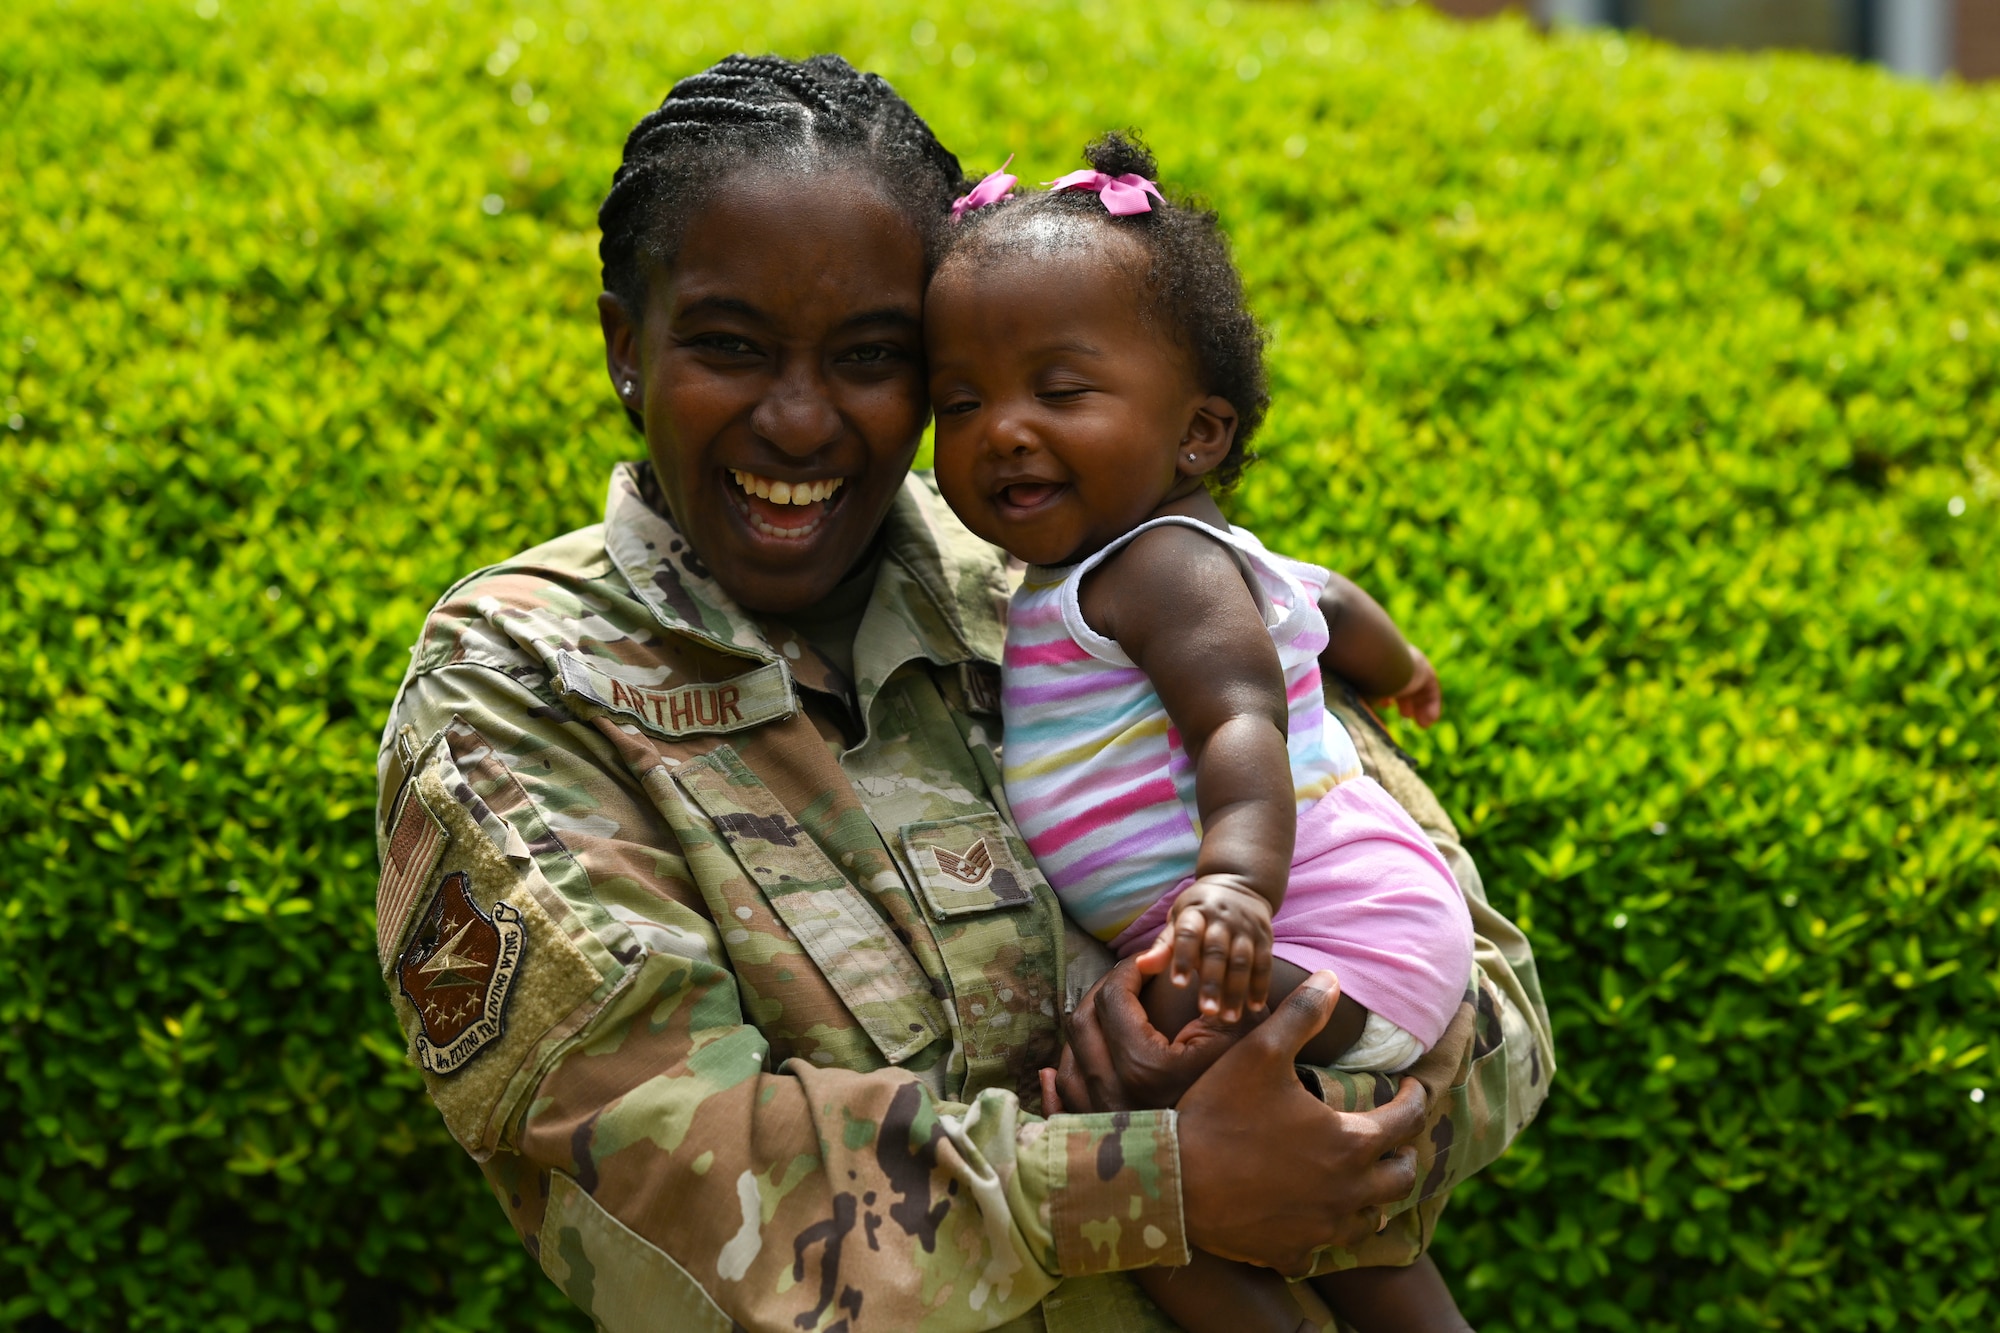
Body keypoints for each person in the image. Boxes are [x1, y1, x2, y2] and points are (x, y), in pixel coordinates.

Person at [372, 53, 1555, 1333]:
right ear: (625, 343)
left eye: (872, 358)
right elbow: (667, 1174)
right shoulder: (524, 684)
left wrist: (1308, 1123)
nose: (797, 421)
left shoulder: (1076, 570)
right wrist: (1162, 1178)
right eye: (728, 347)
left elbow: (1481, 984)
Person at [926, 132, 1482, 1331]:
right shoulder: (1159, 556)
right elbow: (1327, 601)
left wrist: (1230, 886)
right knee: (1286, 1161)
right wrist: (1401, 668)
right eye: (958, 401)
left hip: (1312, 926)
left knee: (1112, 1126)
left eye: (1059, 392)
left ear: (1198, 434)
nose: (1001, 431)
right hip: (1336, 930)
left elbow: (1235, 720)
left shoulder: (1154, 568)